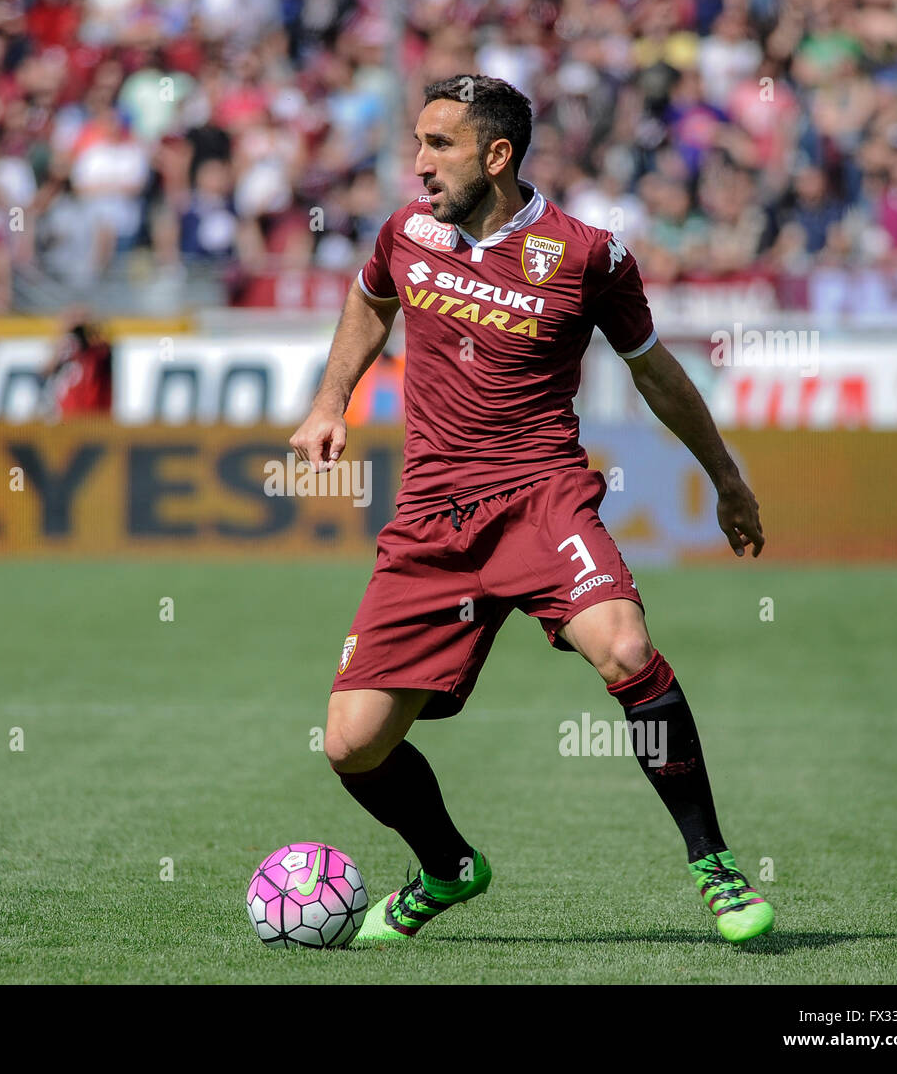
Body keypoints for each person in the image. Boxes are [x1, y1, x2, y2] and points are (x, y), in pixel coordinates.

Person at [288, 75, 774, 945]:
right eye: (418, 143)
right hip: (431, 518)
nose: (419, 163)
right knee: (351, 746)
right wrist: (331, 402)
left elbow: (654, 370)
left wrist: (726, 479)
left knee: (626, 649)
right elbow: (370, 301)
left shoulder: (589, 255)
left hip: (540, 496)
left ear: (496, 155)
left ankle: (715, 867)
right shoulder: (406, 233)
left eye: (438, 146)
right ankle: (447, 868)